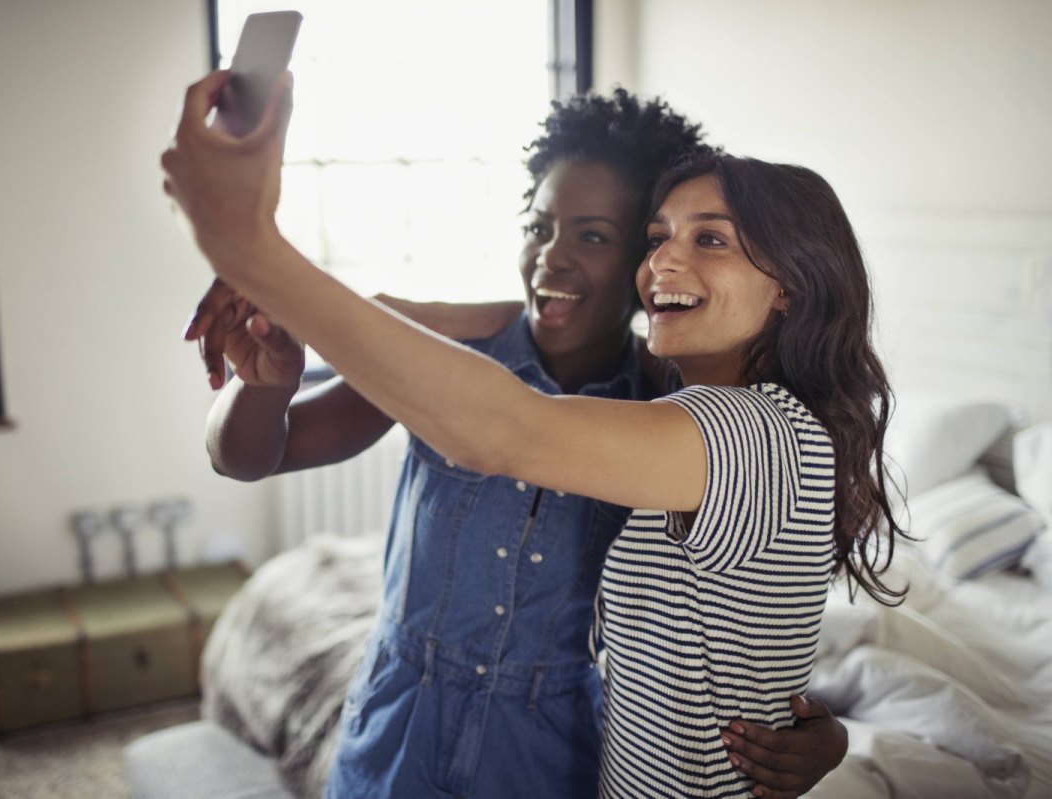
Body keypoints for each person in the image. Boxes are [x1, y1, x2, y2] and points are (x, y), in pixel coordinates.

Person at [169, 74, 868, 798]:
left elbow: (503, 430)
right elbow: (245, 455)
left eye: (596, 235)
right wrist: (272, 379)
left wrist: (255, 246)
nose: (553, 255)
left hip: (550, 747)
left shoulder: (677, 410)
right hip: (402, 720)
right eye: (539, 226)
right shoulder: (451, 364)